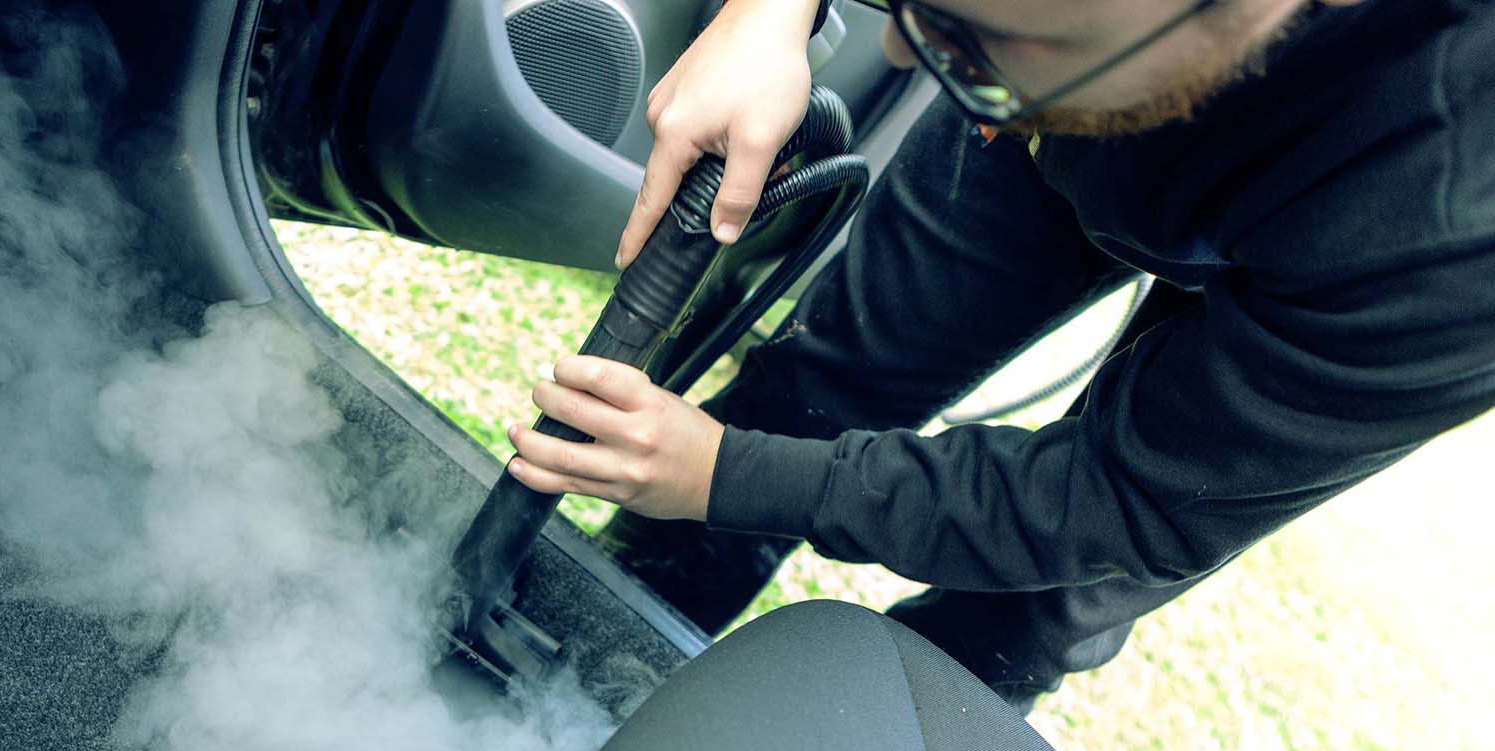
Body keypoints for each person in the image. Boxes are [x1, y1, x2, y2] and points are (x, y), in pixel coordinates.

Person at [505, 0, 1495, 711]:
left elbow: (1123, 499)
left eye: (959, 38)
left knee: (1036, 609)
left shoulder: (1458, 228)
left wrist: (728, 475)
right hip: (1056, 100)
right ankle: (571, 695)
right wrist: (766, 18)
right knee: (823, 384)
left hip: (1359, 222)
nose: (895, 45)